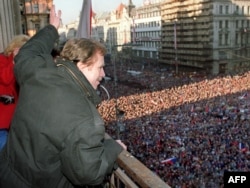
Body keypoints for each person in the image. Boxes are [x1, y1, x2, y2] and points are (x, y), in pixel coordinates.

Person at [0, 5, 126, 188]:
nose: (103, 74)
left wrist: (52, 28)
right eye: (100, 67)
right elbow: (90, 174)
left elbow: (27, 52)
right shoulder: (86, 119)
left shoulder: (38, 73)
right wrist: (113, 148)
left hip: (7, 174)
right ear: (82, 66)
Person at [0, 34, 30, 151]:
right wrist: (13, 61)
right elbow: (6, 79)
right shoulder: (2, 60)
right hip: (3, 119)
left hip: (14, 119)